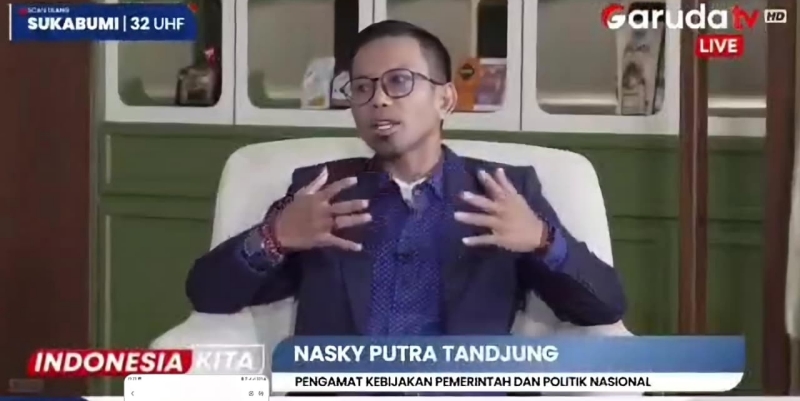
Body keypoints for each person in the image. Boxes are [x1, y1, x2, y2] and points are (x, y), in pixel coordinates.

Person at [186, 20, 627, 336]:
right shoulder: (322, 191)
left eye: (398, 82)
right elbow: (208, 294)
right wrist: (275, 237)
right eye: (362, 87)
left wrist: (542, 241)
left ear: (445, 99)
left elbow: (604, 307)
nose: (377, 100)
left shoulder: (503, 191)